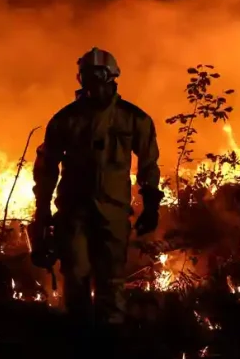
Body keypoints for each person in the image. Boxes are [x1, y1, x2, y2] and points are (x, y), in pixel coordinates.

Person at [31, 47, 163, 327]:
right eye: (88, 76)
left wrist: (151, 202)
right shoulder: (66, 119)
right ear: (81, 79)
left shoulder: (133, 119)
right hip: (74, 210)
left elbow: (149, 163)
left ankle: (110, 340)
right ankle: (79, 338)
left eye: (99, 75)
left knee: (111, 278)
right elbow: (47, 166)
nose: (93, 83)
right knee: (76, 275)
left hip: (113, 211)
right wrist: (41, 210)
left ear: (112, 76)